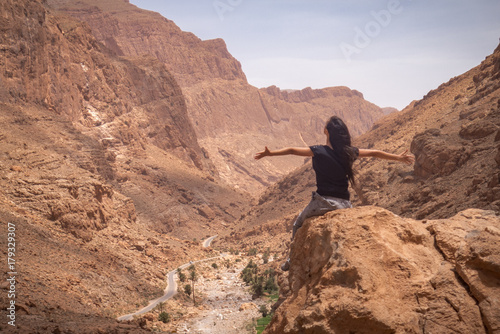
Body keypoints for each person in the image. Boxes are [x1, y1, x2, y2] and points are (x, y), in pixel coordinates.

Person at [254, 116, 415, 271]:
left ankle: (291, 259)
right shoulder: (349, 152)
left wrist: (270, 153)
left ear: (327, 131)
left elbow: (291, 150)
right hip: (345, 204)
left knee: (297, 224)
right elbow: (374, 153)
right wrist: (398, 158)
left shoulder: (318, 150)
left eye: (325, 124)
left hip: (323, 202)